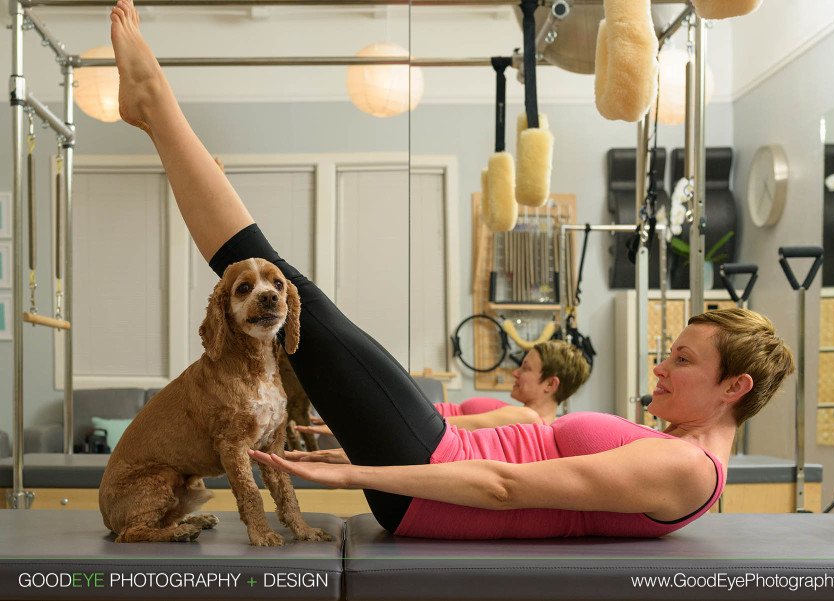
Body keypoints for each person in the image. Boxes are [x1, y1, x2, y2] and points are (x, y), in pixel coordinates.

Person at [109, 0, 796, 540]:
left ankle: (154, 104)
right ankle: (155, 111)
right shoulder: (677, 450)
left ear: (734, 385)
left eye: (682, 359)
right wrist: (357, 453)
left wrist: (365, 474)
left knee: (290, 291)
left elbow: (507, 487)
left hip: (431, 475)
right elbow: (506, 434)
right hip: (431, 459)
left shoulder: (685, 468)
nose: (661, 367)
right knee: (295, 297)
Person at [297, 339, 591, 444]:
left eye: (525, 368)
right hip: (409, 416)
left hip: (411, 420)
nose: (515, 373)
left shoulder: (528, 418)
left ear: (551, 384)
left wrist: (363, 426)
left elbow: (437, 427)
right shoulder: (523, 415)